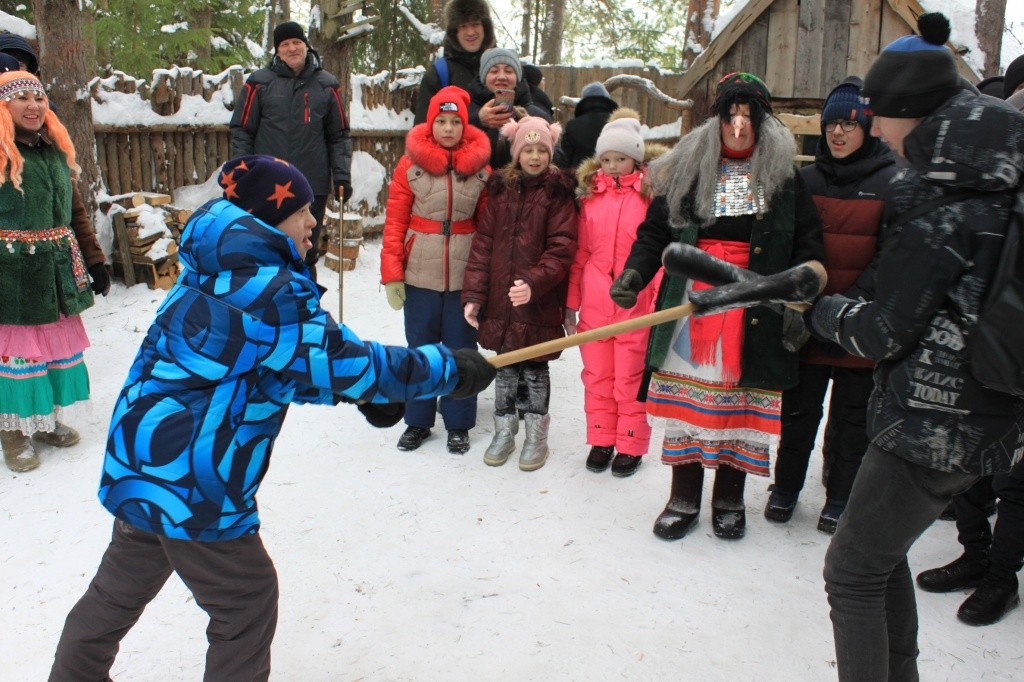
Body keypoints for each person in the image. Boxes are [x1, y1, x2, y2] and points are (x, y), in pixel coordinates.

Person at [48, 155, 497, 681]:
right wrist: (447, 368)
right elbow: (344, 360)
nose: (313, 222)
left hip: (144, 461)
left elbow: (262, 366)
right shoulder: (268, 288)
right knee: (245, 601)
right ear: (268, 216)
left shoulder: (216, 268)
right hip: (195, 478)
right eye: (302, 211)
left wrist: (352, 395)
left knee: (116, 593)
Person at [807, 13, 1024, 679]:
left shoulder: (942, 198)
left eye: (877, 116)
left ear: (906, 111)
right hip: (997, 409)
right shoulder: (1002, 173)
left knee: (851, 572)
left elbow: (882, 330)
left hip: (932, 422)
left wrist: (819, 311)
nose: (875, 131)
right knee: (880, 553)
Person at [611, 72, 824, 541]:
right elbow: (655, 234)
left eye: (749, 117)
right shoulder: (689, 170)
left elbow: (809, 247)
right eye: (731, 115)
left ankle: (729, 499)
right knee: (689, 409)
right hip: (693, 304)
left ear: (764, 123)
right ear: (717, 120)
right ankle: (683, 497)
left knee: (741, 406)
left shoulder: (786, 179)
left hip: (755, 306)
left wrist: (798, 305)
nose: (739, 127)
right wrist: (634, 273)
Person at [764, 76, 897, 534]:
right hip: (808, 320)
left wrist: (850, 305)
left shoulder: (891, 182)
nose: (837, 133)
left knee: (851, 419)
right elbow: (794, 241)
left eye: (848, 123)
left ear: (867, 126)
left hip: (860, 323)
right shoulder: (806, 179)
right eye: (830, 124)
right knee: (799, 412)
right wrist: (806, 296)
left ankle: (840, 496)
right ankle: (785, 489)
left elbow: (891, 255)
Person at [914, 86, 1024, 628]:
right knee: (975, 468)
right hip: (987, 348)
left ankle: (1002, 578)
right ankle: (975, 553)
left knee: (1017, 480)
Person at [0, 70, 109, 474]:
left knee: (52, 353)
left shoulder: (54, 150)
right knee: (19, 355)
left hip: (57, 269)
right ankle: (12, 432)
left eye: (39, 98)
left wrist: (95, 259)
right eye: (22, 98)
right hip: (10, 273)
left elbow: (75, 212)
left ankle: (44, 422)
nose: (33, 105)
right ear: (4, 107)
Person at [380, 86, 492, 454]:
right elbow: (395, 223)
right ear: (430, 125)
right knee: (422, 349)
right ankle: (418, 421)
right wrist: (392, 274)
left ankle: (458, 422)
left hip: (464, 276)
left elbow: (488, 228)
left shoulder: (480, 169)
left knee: (461, 349)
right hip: (420, 275)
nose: (447, 128)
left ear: (464, 125)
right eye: (441, 121)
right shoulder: (409, 166)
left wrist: (485, 278)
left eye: (454, 121)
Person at [462, 116, 577, 471]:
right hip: (500, 298)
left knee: (535, 368)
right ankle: (504, 430)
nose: (535, 156)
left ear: (550, 151)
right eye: (527, 149)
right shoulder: (500, 191)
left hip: (538, 301)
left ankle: (535, 435)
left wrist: (533, 282)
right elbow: (483, 245)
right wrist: (475, 295)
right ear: (516, 153)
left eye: (542, 149)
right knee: (505, 367)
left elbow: (562, 248)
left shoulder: (558, 193)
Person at [566, 110, 666, 477]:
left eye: (620, 159)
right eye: (605, 159)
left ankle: (630, 442)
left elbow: (658, 255)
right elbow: (582, 253)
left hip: (635, 303)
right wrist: (572, 302)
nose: (612, 166)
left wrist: (655, 301)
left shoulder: (650, 197)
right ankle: (601, 438)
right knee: (597, 375)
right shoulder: (591, 198)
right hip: (595, 301)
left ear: (635, 160)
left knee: (629, 377)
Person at [230, 21, 352, 281]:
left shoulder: (327, 85)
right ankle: (269, 306)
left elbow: (339, 135)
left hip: (312, 185)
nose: (291, 48)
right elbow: (242, 130)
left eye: (296, 42)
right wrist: (240, 174)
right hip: (268, 185)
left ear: (306, 45)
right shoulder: (259, 83)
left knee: (306, 251)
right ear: (277, 51)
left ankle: (307, 308)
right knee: (267, 248)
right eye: (284, 44)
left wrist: (342, 176)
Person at [467, 48, 553, 168]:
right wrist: (477, 120)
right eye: (494, 71)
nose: (501, 76)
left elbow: (557, 159)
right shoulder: (465, 111)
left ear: (517, 78)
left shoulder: (537, 114)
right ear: (484, 78)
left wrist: (532, 127)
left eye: (508, 71)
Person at [413, 0, 496, 124]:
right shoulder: (439, 74)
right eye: (463, 26)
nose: (470, 32)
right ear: (454, 32)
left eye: (475, 24)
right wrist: (477, 118)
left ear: (485, 27)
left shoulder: (504, 68)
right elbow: (422, 132)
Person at [554, 81, 619, 169]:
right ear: (607, 99)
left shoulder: (573, 125)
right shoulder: (617, 123)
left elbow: (566, 159)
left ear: (583, 101)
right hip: (613, 175)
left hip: (581, 177)